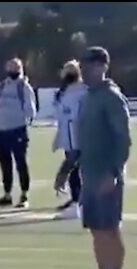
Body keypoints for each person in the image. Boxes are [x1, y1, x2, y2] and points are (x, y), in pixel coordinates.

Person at [72, 46, 131, 269]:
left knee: (109, 230)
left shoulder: (111, 97)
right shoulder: (89, 97)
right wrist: (68, 168)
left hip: (106, 174)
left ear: (102, 66)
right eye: (82, 66)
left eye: (88, 66)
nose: (83, 71)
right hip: (90, 173)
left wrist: (114, 172)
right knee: (97, 231)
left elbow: (123, 140)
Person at [0, 58, 37, 209]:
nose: (13, 71)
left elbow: (31, 108)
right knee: (5, 164)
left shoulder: (24, 87)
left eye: (16, 68)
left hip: (17, 129)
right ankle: (7, 194)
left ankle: (24, 194)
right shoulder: (1, 86)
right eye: (10, 67)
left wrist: (25, 121)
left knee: (20, 162)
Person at [52, 60, 87, 220]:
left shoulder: (84, 92)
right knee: (73, 171)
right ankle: (75, 199)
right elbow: (61, 118)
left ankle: (82, 202)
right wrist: (58, 138)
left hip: (80, 138)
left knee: (79, 169)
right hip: (68, 138)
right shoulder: (62, 93)